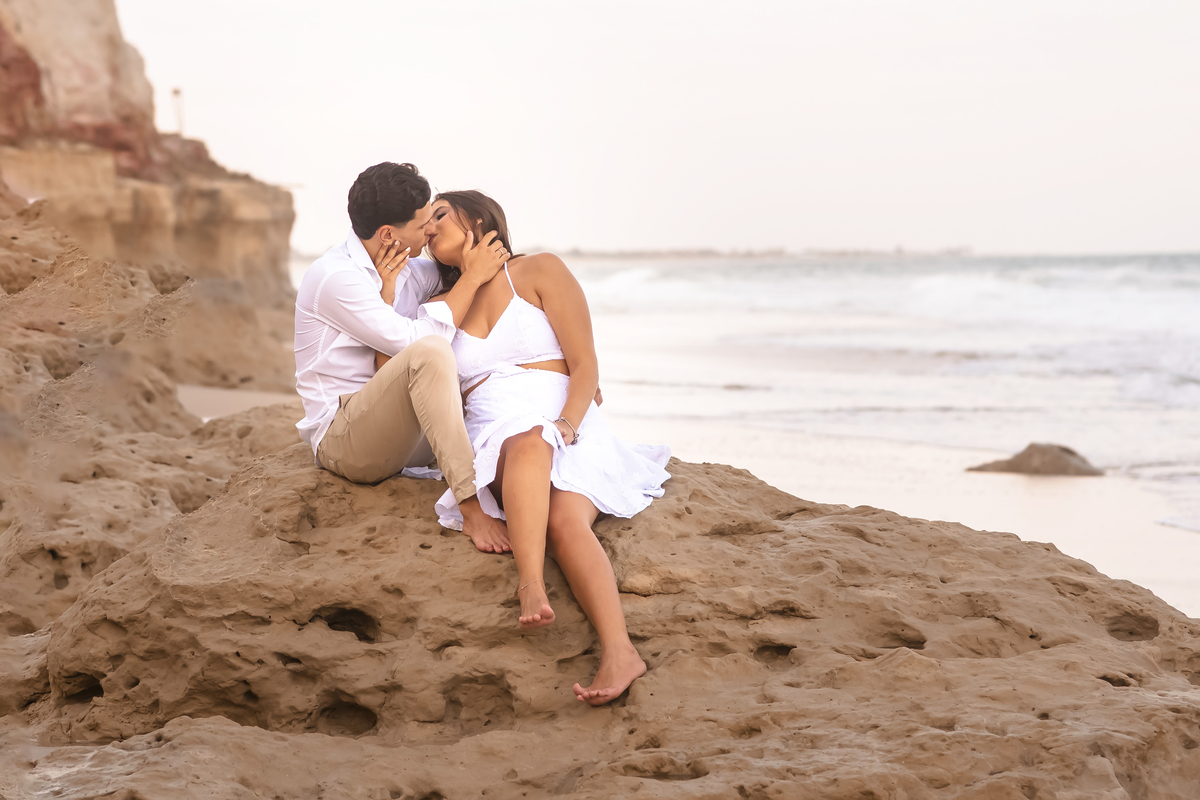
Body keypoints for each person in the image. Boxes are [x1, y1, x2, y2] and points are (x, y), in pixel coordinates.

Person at [378, 190, 671, 705]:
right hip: (492, 434)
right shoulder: (440, 308)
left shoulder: (539, 270)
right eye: (424, 224)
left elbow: (585, 367)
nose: (428, 227)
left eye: (440, 214)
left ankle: (620, 651)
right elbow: (389, 378)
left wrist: (568, 424)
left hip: (565, 422)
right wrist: (386, 288)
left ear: (479, 217)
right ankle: (530, 585)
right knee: (528, 444)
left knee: (564, 522)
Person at [293, 163, 514, 554]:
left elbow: (475, 276)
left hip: (403, 437)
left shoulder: (410, 269)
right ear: (388, 234)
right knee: (430, 350)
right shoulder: (336, 278)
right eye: (424, 223)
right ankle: (470, 507)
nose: (431, 229)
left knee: (494, 393)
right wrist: (471, 278)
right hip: (345, 441)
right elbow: (417, 342)